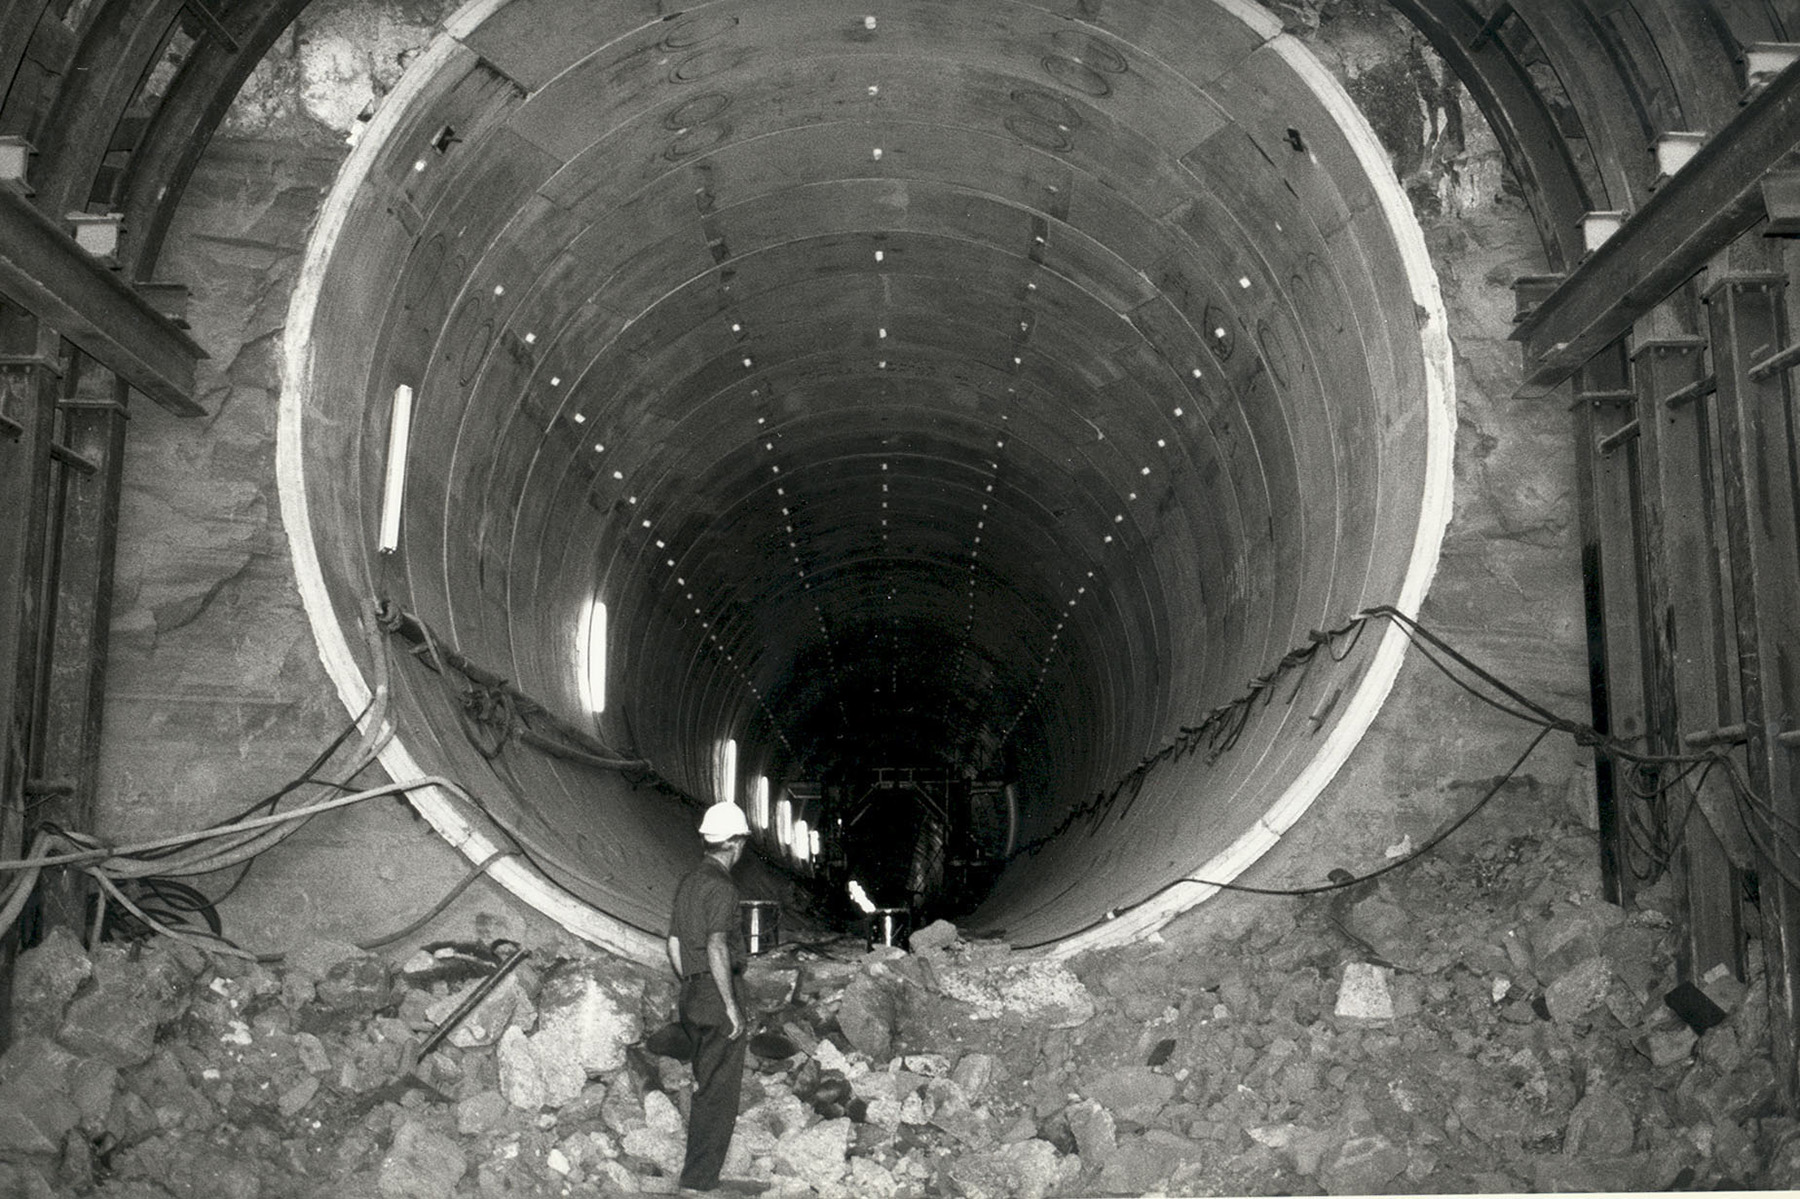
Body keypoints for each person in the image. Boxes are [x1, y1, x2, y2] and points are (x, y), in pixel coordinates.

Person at [666, 801, 751, 1193]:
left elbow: (673, 944)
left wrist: (693, 984)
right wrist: (730, 1005)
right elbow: (717, 945)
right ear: (734, 844)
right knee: (719, 1094)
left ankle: (694, 1176)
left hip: (692, 993)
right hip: (717, 995)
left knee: (705, 1084)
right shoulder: (722, 887)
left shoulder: (688, 882)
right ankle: (698, 1183)